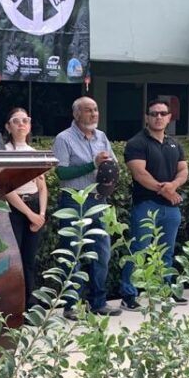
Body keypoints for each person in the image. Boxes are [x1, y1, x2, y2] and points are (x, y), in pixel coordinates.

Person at [53, 96, 120, 318]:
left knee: (102, 252)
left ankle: (98, 302)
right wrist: (93, 165)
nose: (94, 114)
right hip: (74, 202)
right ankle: (71, 305)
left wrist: (109, 174)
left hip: (99, 200)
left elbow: (112, 164)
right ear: (76, 114)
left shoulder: (102, 137)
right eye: (88, 110)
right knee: (73, 254)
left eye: (96, 110)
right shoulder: (64, 138)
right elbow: (61, 172)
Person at [120, 97, 189, 310]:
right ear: (146, 117)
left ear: (169, 118)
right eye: (154, 114)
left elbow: (184, 170)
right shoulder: (137, 143)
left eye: (162, 114)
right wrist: (165, 191)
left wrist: (173, 186)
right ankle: (128, 294)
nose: (158, 117)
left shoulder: (174, 143)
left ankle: (165, 290)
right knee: (139, 250)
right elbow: (140, 174)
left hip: (171, 208)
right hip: (146, 205)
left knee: (167, 252)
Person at [4, 107, 49, 309]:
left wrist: (40, 214)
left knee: (29, 260)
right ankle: (14, 306)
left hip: (34, 208)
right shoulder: (3, 151)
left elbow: (42, 186)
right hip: (14, 209)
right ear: (8, 126)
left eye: (25, 120)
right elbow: (5, 188)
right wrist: (30, 214)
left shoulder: (35, 154)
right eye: (16, 121)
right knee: (14, 261)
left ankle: (30, 304)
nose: (21, 124)